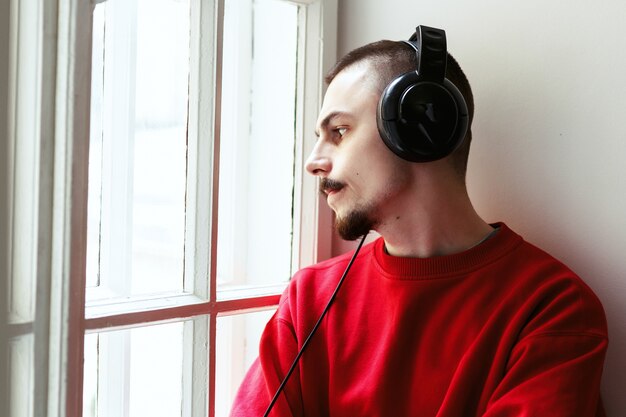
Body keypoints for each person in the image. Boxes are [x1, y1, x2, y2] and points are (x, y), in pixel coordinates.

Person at [230, 25, 608, 416]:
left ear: (420, 128)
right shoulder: (308, 300)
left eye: (339, 131)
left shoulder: (553, 307)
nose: (313, 161)